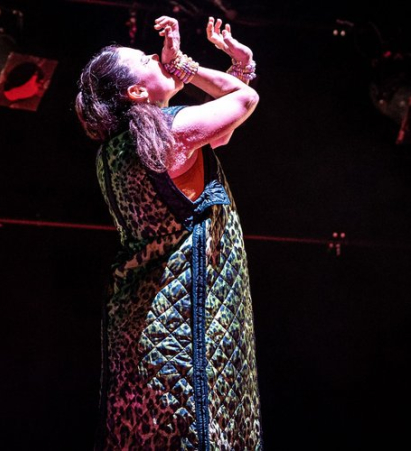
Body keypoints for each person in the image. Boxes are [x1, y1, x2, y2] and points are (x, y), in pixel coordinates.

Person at [75, 14, 262, 450]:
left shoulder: (121, 148)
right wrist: (188, 68)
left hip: (148, 325)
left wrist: (239, 65)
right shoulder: (168, 133)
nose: (157, 56)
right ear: (136, 92)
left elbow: (223, 128)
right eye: (147, 59)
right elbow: (244, 101)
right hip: (186, 326)